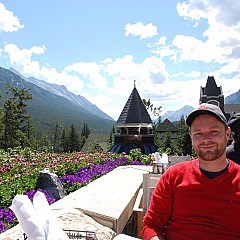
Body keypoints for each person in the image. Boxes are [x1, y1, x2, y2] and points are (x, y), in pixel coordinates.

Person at [142, 103, 240, 240]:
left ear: (227, 134)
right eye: (198, 133)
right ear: (191, 137)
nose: (206, 139)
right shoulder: (174, 176)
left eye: (214, 132)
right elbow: (152, 225)